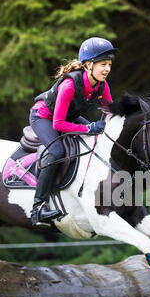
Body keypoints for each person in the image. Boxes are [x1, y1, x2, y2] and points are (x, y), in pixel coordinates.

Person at [29, 37, 117, 226]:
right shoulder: (69, 85)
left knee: (95, 138)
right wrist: (87, 128)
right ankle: (38, 208)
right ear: (88, 65)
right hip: (44, 116)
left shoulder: (102, 85)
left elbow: (111, 112)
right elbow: (59, 123)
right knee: (57, 152)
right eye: (103, 64)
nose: (107, 69)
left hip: (68, 116)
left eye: (109, 64)